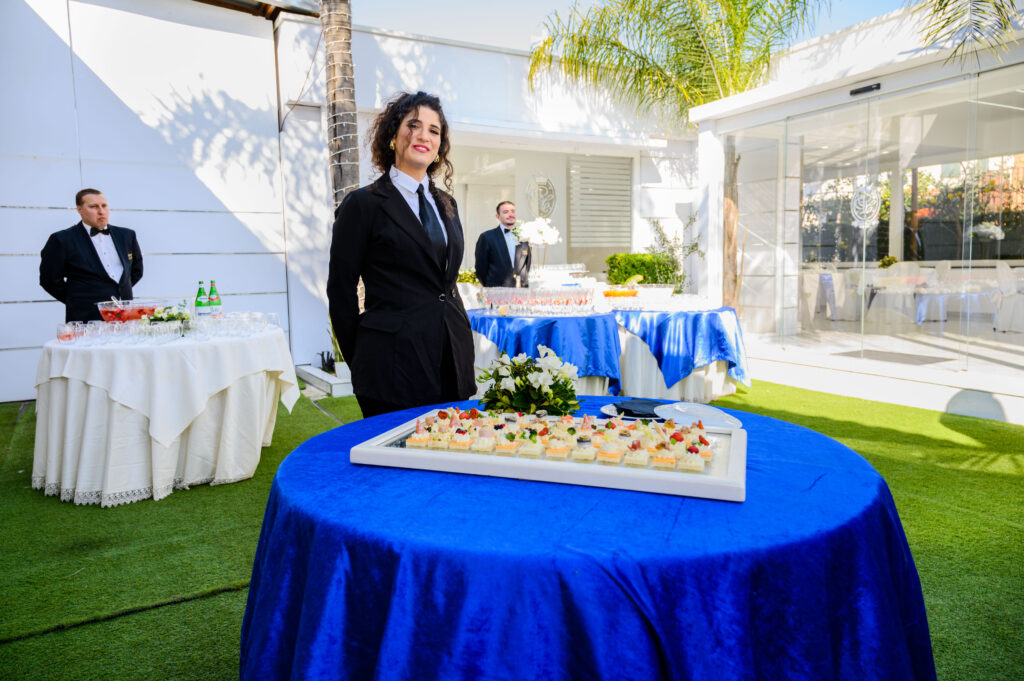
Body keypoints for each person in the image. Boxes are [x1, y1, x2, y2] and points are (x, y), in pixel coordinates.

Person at [326, 91, 476, 418]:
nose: (424, 135)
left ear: (440, 146)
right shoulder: (363, 205)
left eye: (434, 130)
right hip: (391, 368)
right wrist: (363, 358)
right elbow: (340, 291)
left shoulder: (448, 205)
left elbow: (443, 283)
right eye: (414, 125)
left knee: (451, 460)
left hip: (452, 361)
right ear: (393, 136)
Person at [39, 189, 143, 322]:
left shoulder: (127, 235)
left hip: (125, 317)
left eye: (104, 206)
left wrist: (119, 292)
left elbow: (136, 271)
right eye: (93, 207)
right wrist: (77, 301)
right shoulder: (61, 239)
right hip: (85, 319)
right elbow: (49, 280)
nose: (101, 211)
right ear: (79, 209)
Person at [474, 200, 531, 287]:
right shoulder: (487, 237)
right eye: (505, 212)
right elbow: (480, 268)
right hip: (496, 291)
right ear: (498, 216)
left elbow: (527, 264)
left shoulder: (523, 236)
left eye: (513, 211)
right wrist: (490, 287)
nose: (510, 214)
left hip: (522, 290)